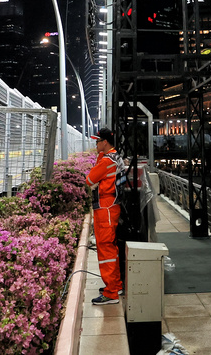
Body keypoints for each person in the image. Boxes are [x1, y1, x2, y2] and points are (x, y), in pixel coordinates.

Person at [86, 128, 123, 306]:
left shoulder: (107, 160)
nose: (95, 144)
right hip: (110, 207)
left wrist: (99, 158)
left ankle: (111, 293)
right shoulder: (114, 158)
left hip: (105, 209)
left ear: (105, 142)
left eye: (97, 142)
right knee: (111, 249)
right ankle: (116, 285)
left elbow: (90, 179)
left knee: (106, 249)